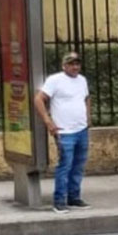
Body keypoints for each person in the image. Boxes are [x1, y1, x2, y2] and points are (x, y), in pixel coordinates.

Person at [34, 52, 91, 214]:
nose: (75, 67)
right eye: (71, 64)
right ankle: (59, 200)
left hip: (81, 128)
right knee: (65, 165)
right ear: (64, 66)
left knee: (78, 165)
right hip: (64, 131)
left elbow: (86, 98)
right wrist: (48, 121)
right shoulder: (55, 80)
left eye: (77, 64)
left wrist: (88, 117)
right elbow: (39, 99)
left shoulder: (82, 80)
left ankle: (74, 197)